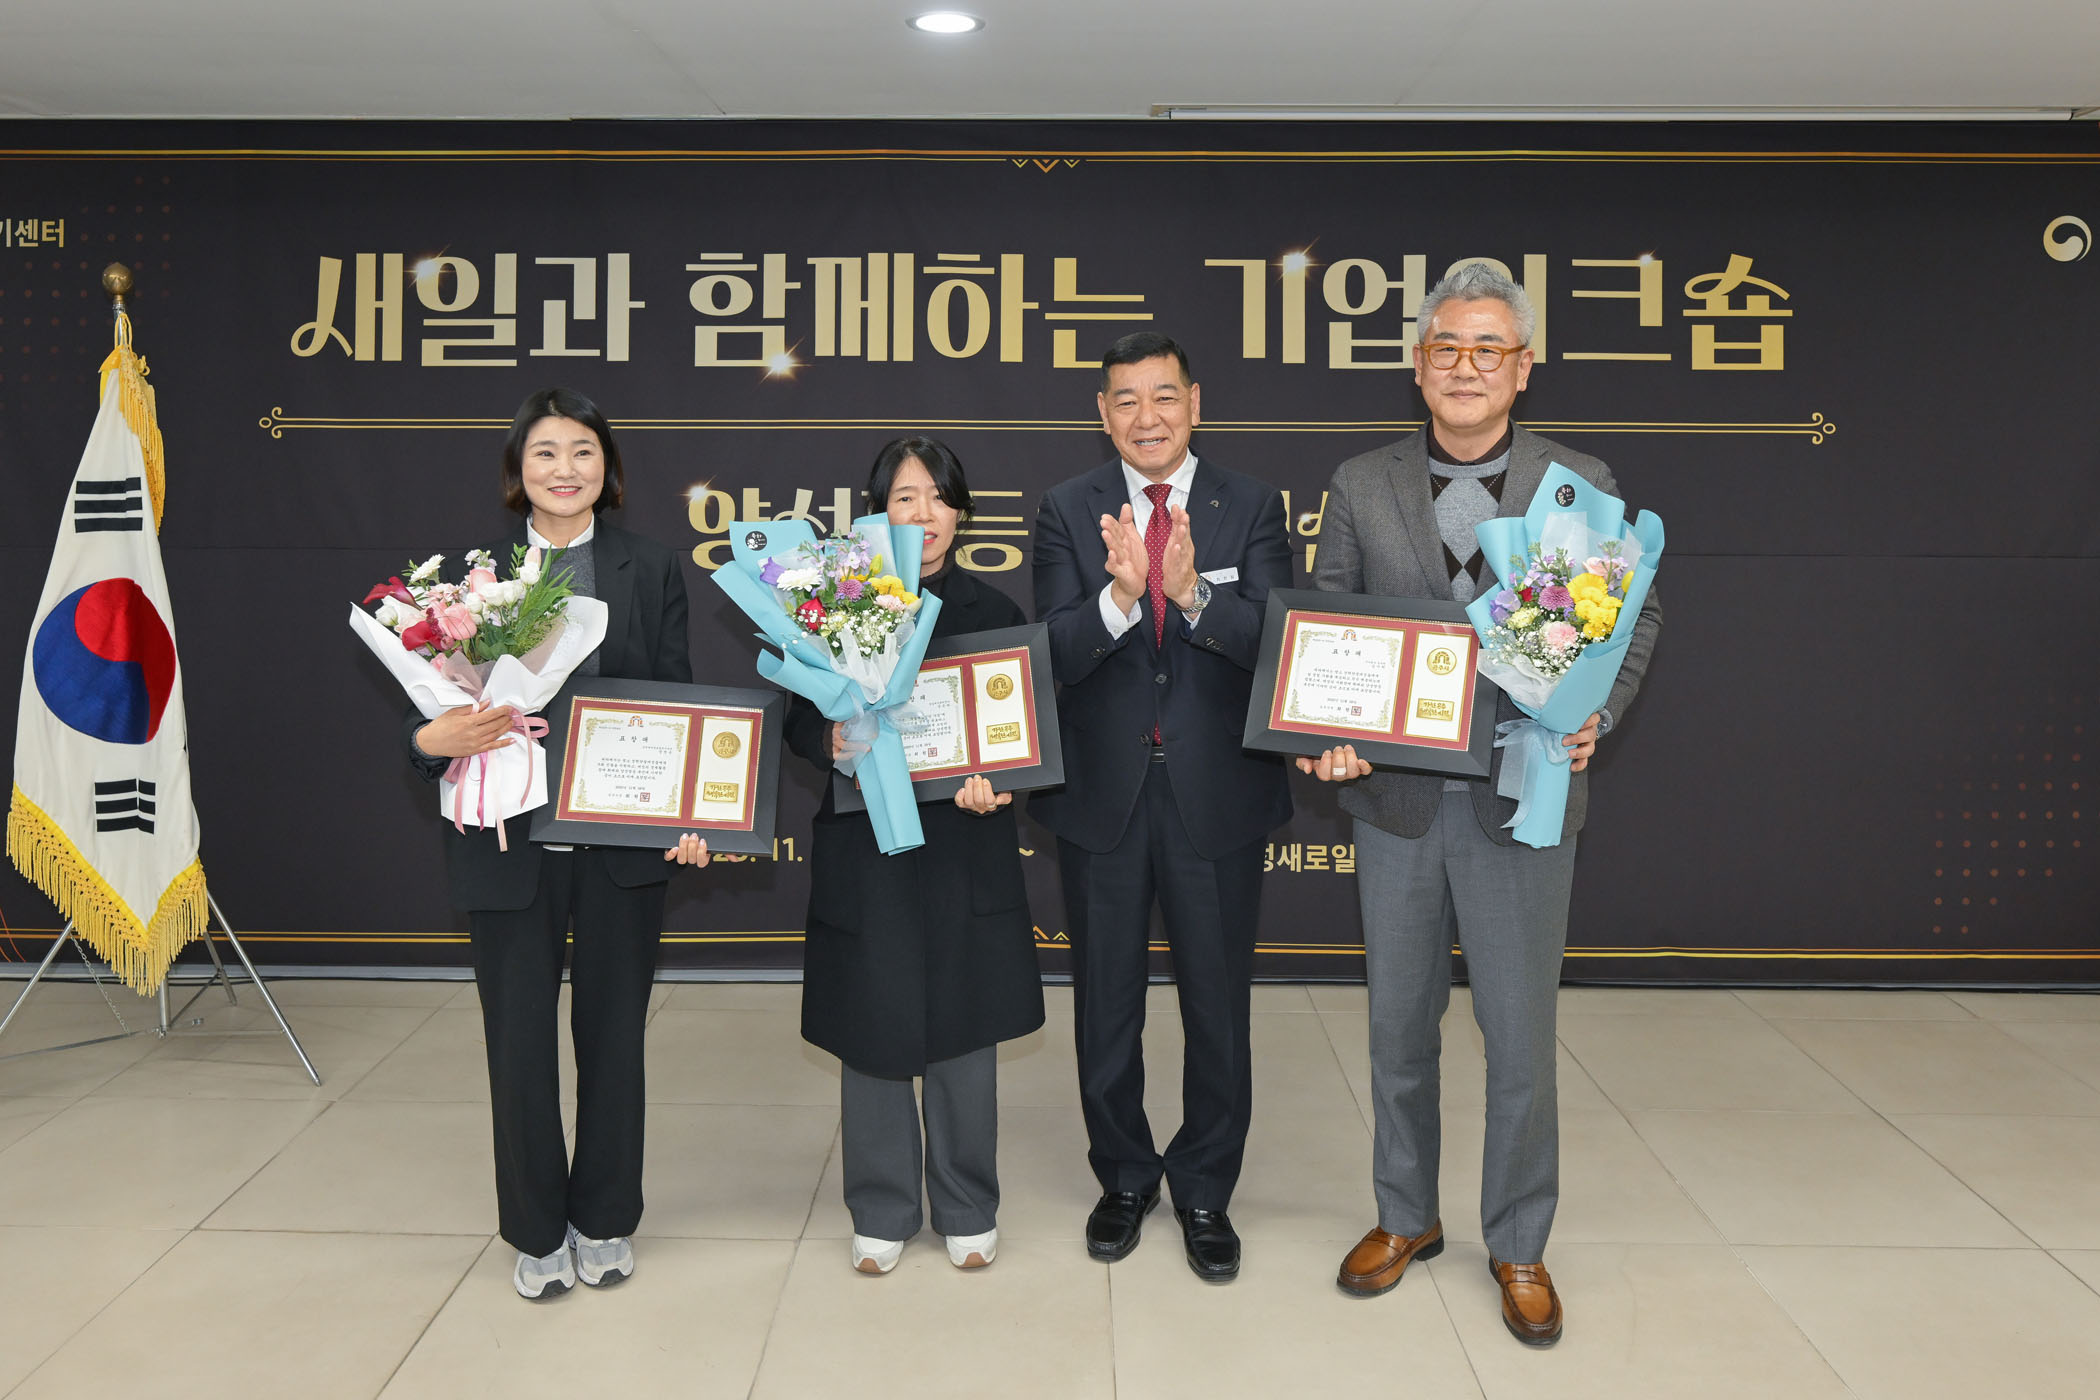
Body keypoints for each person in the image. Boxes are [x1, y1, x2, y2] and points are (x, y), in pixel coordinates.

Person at [1302, 263, 1662, 1345]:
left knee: (1519, 1037)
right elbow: (1328, 617)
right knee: (1397, 1030)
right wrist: (1330, 729)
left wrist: (1599, 711)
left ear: (1523, 367)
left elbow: (1632, 618)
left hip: (1525, 795)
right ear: (1419, 366)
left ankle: (1518, 1239)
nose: (1467, 367)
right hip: (1399, 803)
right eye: (1447, 348)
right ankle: (1404, 1215)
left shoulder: (1579, 481)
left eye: (1488, 349)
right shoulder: (1361, 482)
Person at [405, 387, 712, 1301]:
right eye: (545, 452)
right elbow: (429, 713)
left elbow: (676, 698)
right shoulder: (470, 579)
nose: (565, 468)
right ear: (518, 470)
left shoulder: (650, 567)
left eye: (583, 451)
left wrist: (691, 809)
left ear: (607, 468)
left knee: (615, 1039)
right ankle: (537, 1230)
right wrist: (431, 741)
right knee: (519, 1044)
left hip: (620, 839)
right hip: (509, 838)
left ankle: (606, 1216)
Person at [1030, 332, 1292, 1282]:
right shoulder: (1066, 508)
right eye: (1127, 400)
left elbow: (1275, 642)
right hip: (1103, 794)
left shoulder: (1251, 505)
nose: (1148, 417)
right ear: (1104, 414)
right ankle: (1125, 1175)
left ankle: (1207, 1188)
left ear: (1196, 403)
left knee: (1217, 1004)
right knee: (1106, 1003)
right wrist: (1119, 598)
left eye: (1165, 397)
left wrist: (1188, 596)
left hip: (1213, 793)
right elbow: (1055, 651)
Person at [784, 435, 1046, 1276]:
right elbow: (794, 717)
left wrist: (998, 783)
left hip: (963, 840)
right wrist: (831, 737)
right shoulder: (832, 604)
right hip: (866, 839)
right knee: (873, 1019)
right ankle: (882, 1206)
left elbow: (1016, 732)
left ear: (961, 513)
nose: (923, 513)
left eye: (938, 496)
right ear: (876, 515)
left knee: (965, 1022)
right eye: (904, 497)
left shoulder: (994, 610)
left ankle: (967, 1203)